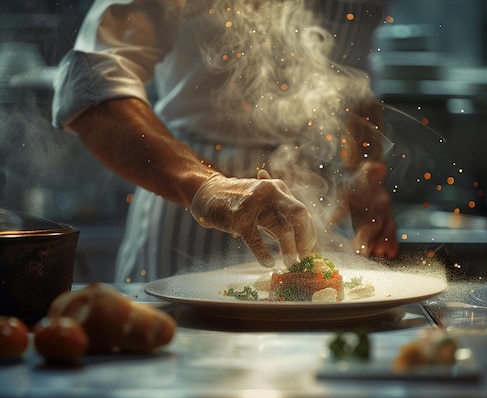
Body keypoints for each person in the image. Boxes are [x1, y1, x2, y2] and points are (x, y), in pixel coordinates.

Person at [52, 0, 399, 283]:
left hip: (317, 201)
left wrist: (364, 171)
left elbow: (354, 81)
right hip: (188, 204)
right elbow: (93, 79)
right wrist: (206, 188)